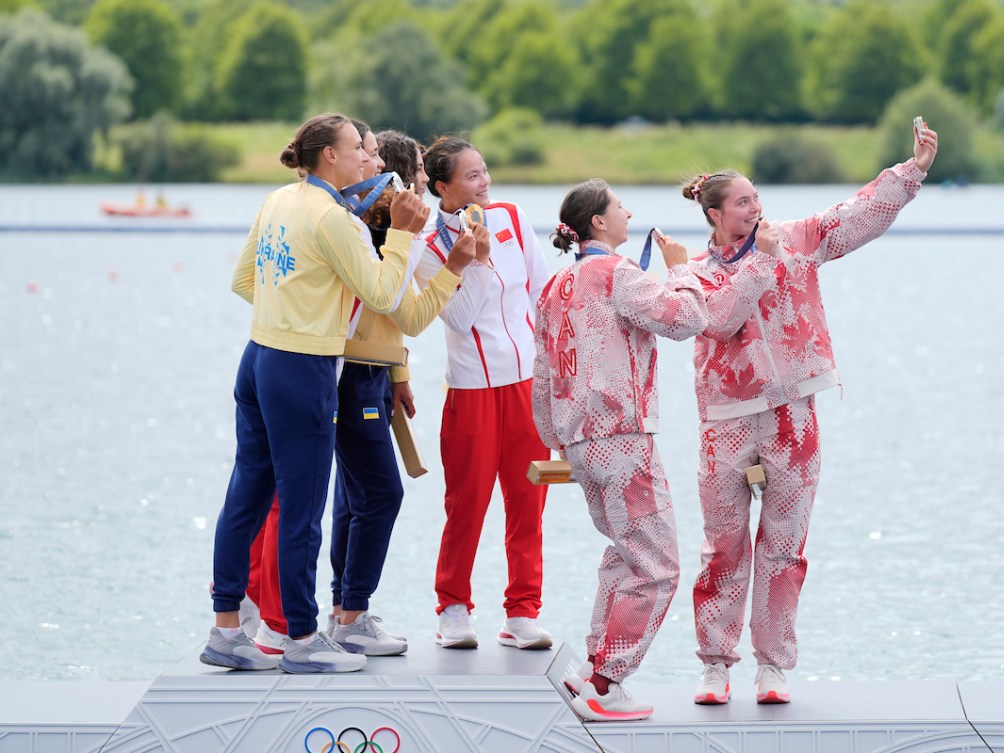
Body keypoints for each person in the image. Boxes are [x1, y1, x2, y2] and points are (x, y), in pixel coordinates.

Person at [686, 122, 939, 705]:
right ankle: (715, 664)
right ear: (718, 215)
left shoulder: (795, 238)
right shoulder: (694, 273)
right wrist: (762, 262)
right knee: (724, 545)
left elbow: (853, 216)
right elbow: (720, 319)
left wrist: (913, 169)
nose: (757, 208)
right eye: (744, 202)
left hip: (793, 412)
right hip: (725, 419)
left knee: (785, 544)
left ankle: (772, 667)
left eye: (757, 198)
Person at [243, 123, 483, 658]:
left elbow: (387, 326)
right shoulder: (373, 237)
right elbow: (407, 312)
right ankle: (337, 617)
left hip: (359, 372)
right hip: (347, 376)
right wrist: (456, 268)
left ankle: (319, 612)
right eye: (416, 172)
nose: (423, 183)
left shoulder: (355, 225)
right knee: (376, 495)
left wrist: (397, 374)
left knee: (342, 498)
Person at [202, 113, 430, 675]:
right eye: (359, 147)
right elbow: (380, 290)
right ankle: (303, 639)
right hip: (302, 369)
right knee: (302, 510)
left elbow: (244, 281)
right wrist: (399, 235)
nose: (366, 157)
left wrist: (289, 310)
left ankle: (225, 629)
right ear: (329, 155)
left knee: (246, 494)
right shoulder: (336, 221)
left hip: (257, 359)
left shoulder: (279, 199)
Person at [532, 179, 717, 722]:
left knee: (624, 553)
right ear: (597, 222)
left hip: (580, 442)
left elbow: (542, 374)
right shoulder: (616, 273)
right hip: (622, 437)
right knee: (658, 565)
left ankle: (591, 671)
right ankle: (607, 682)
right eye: (620, 207)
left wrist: (558, 438)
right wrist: (682, 269)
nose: (629, 213)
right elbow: (687, 320)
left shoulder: (553, 287)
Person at [413, 136, 552, 650]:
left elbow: (541, 291)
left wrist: (554, 371)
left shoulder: (512, 216)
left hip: (527, 386)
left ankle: (522, 613)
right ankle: (452, 608)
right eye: (471, 177)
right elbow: (458, 316)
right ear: (443, 187)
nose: (484, 183)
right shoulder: (429, 248)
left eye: (485, 171)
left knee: (528, 503)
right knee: (467, 503)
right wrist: (469, 260)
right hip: (472, 388)